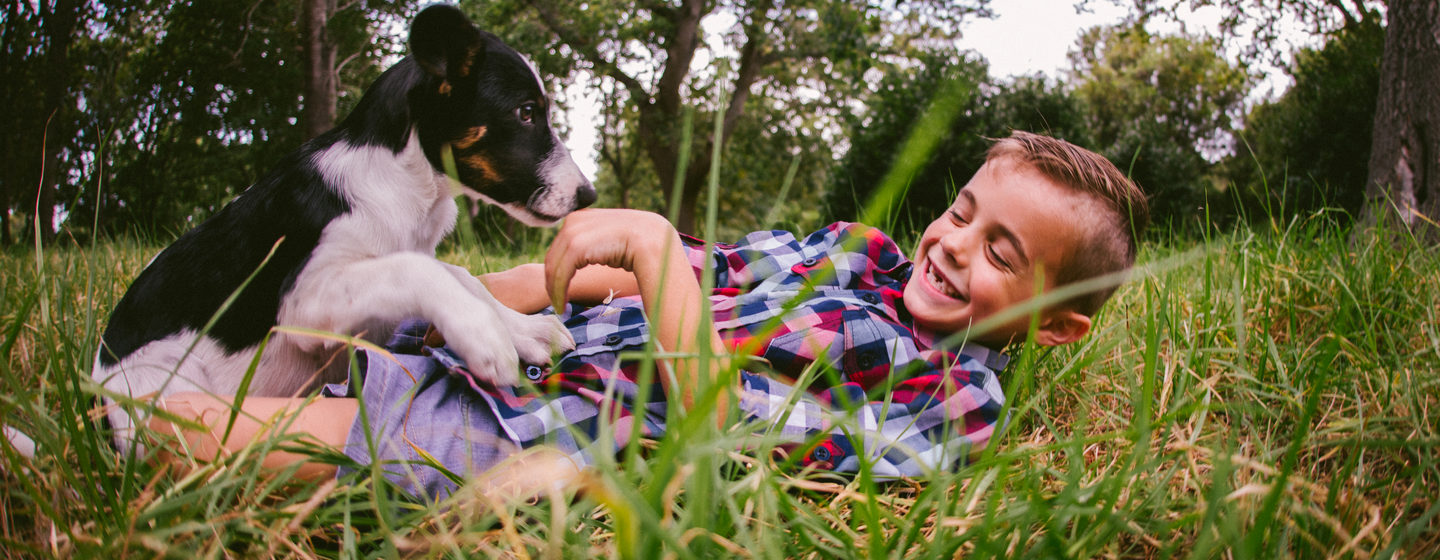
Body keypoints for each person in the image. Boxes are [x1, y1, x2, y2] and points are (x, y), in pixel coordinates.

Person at [148, 131, 1150, 500]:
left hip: (541, 428)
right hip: (527, 342)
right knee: (275, 338)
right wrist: (456, 298)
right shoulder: (867, 255)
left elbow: (717, 426)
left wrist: (650, 241)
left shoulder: (957, 401)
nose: (954, 244)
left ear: (1058, 322)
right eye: (962, 211)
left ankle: (91, 428)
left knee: (220, 433)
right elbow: (662, 271)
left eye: (1002, 252)